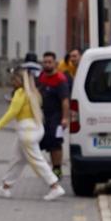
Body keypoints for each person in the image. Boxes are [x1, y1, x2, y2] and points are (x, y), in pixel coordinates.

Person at [0, 66, 65, 201]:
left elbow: (12, 113)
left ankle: (55, 186)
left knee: (37, 160)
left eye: (14, 79)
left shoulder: (20, 93)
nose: (12, 82)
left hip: (26, 132)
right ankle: (5, 187)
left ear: (20, 80)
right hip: (34, 128)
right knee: (17, 160)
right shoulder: (33, 92)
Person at [37, 51, 71, 179]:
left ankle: (57, 169)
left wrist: (65, 118)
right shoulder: (41, 77)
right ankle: (46, 169)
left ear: (55, 63)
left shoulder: (60, 79)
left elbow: (65, 101)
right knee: (44, 142)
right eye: (45, 62)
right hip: (43, 117)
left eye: (49, 62)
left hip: (56, 117)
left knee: (55, 144)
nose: (47, 64)